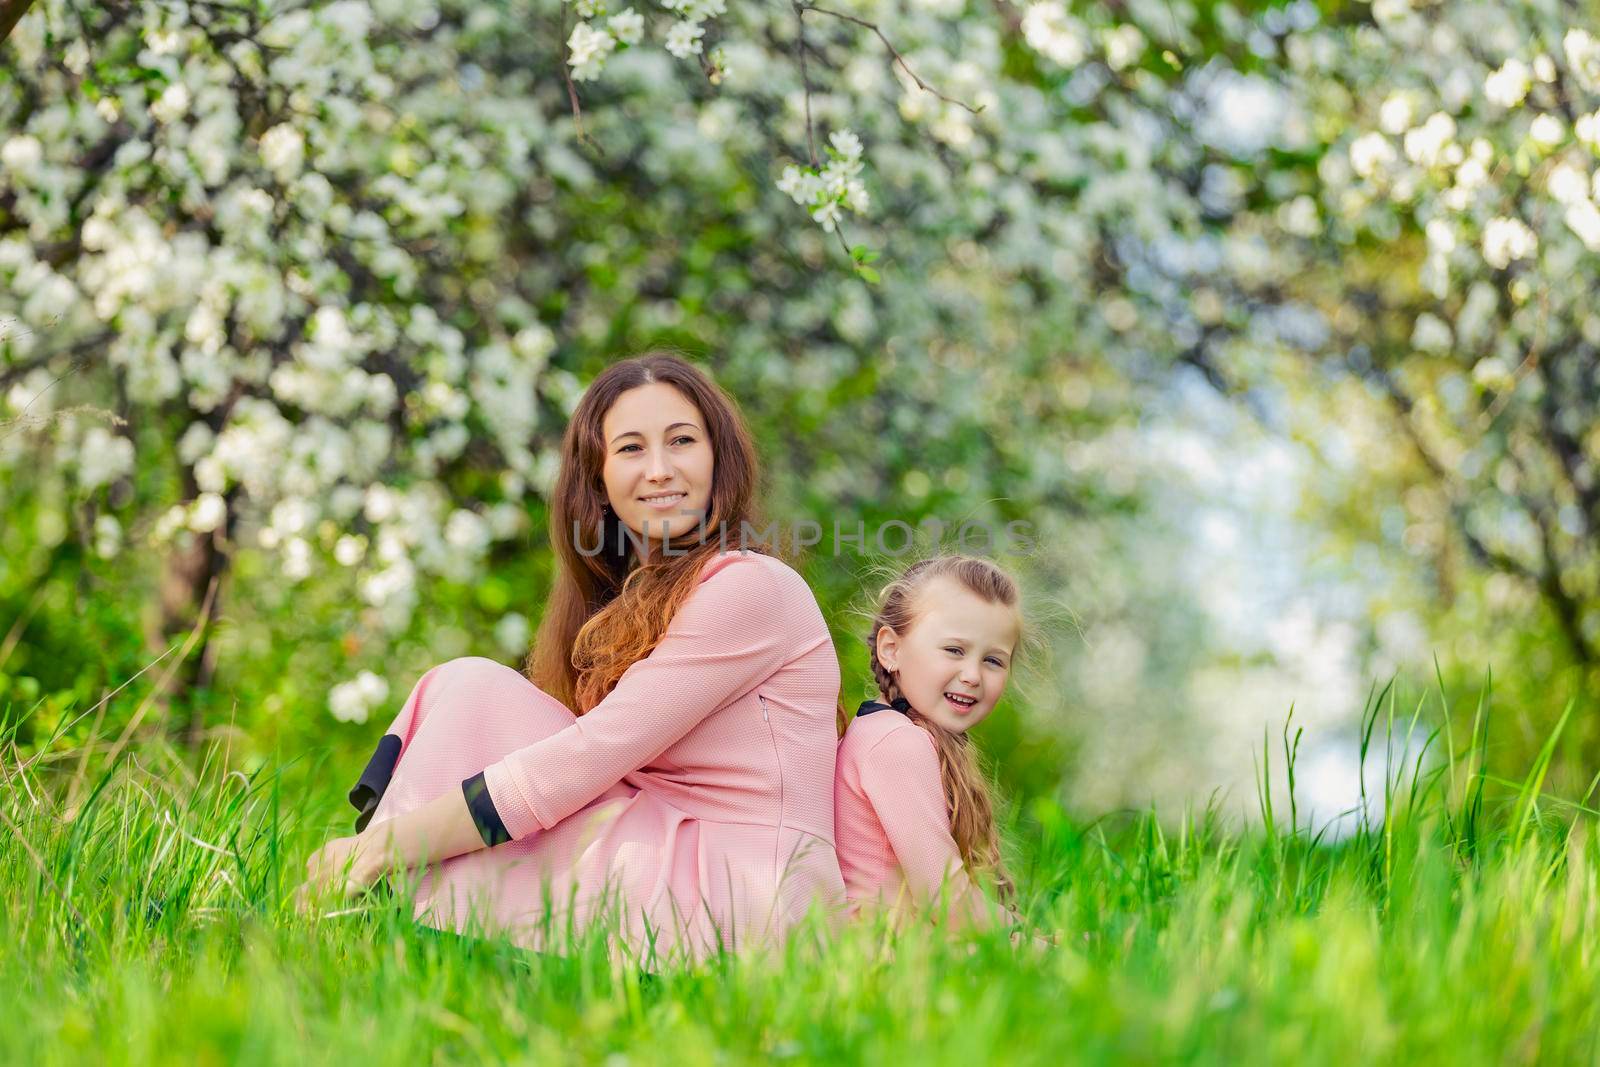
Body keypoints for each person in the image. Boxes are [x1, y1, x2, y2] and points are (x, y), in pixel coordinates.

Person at [298, 353, 846, 966]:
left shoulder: (751, 586)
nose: (661, 470)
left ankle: (368, 903)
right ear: (600, 480)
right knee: (467, 693)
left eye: (683, 441)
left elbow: (591, 755)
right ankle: (381, 920)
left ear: (720, 459)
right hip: (686, 867)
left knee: (475, 689)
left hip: (751, 901)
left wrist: (395, 843)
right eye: (632, 449)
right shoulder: (627, 604)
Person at [834, 554, 1031, 933]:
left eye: (993, 660)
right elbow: (946, 898)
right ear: (891, 649)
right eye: (954, 650)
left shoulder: (884, 730)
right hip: (887, 958)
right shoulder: (896, 744)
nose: (972, 675)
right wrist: (1035, 945)